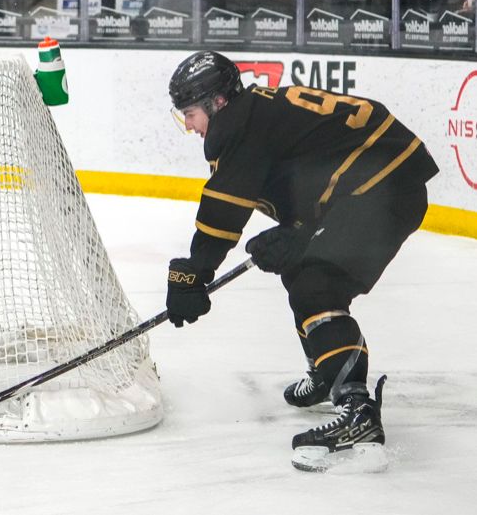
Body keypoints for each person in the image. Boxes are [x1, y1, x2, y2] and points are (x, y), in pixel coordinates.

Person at [164, 51, 438, 473]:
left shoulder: (238, 126)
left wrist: (193, 272)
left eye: (191, 113)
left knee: (317, 283)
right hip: (375, 183)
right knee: (300, 268)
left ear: (217, 103)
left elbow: (222, 212)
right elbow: (311, 165)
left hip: (383, 188)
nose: (187, 125)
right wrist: (299, 230)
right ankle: (326, 371)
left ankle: (357, 412)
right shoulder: (255, 113)